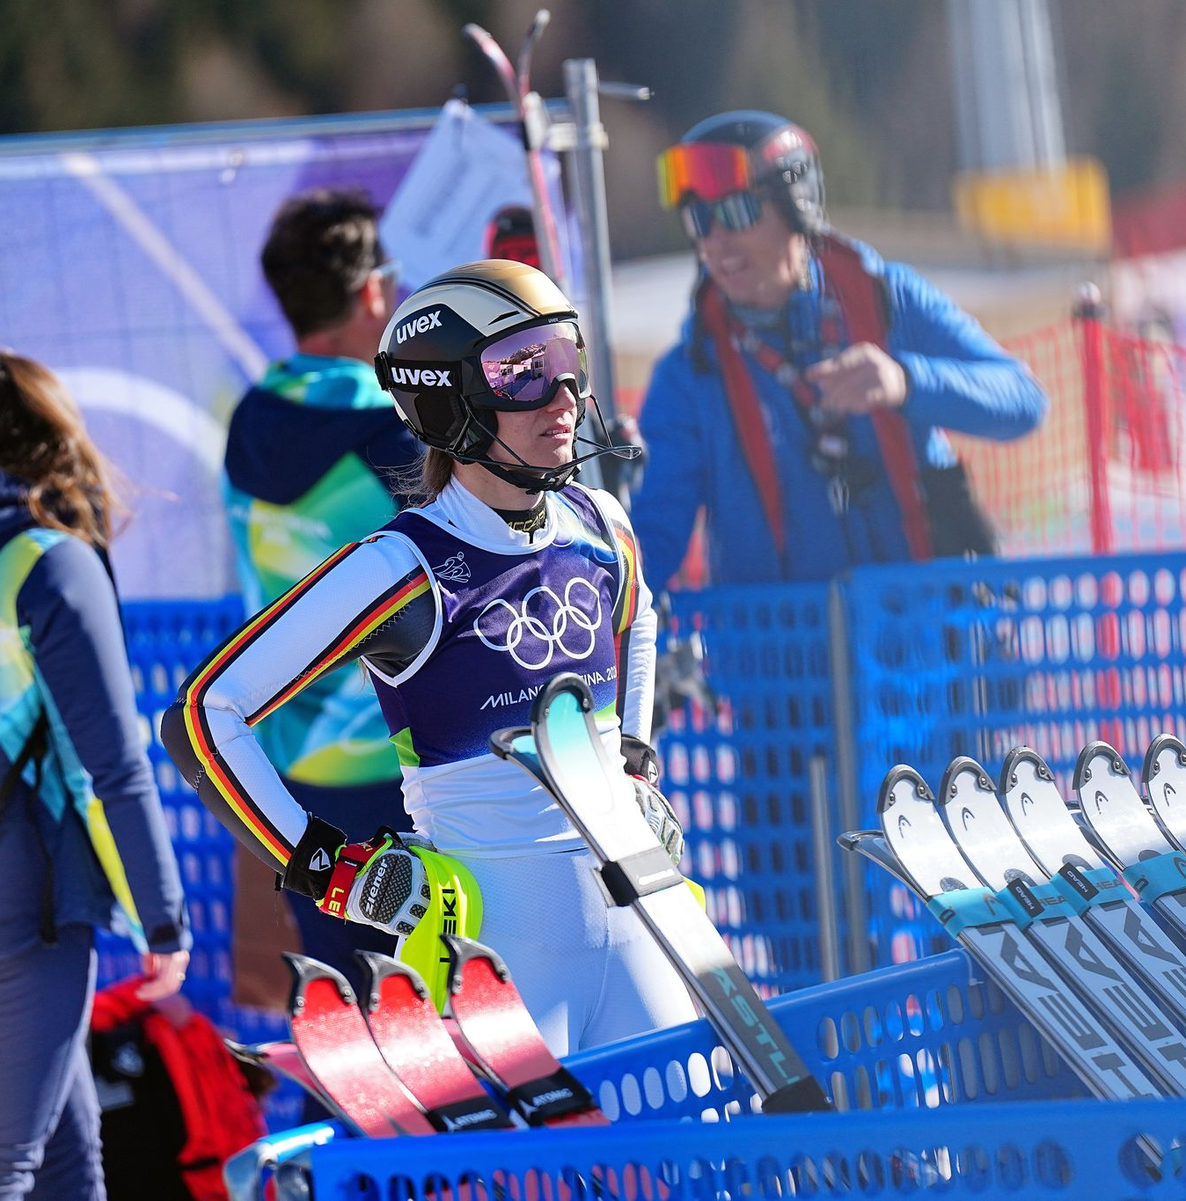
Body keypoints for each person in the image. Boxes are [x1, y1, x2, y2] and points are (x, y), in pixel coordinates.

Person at [163, 260, 695, 1055]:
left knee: (701, 1137)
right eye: (523, 370)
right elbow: (204, 715)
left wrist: (636, 762)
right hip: (502, 953)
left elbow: (639, 617)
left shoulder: (600, 522)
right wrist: (331, 870)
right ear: (451, 401)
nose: (562, 396)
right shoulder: (400, 567)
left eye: (568, 359)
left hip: (638, 919)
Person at [634, 111, 1050, 595]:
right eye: (699, 220)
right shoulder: (690, 374)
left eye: (736, 211)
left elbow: (1024, 402)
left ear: (796, 206)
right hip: (777, 639)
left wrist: (906, 382)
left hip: (926, 628)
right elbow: (653, 539)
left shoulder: (889, 300)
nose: (715, 241)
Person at [0, 352, 191, 1199]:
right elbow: (111, 769)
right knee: (13, 1163)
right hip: (26, 906)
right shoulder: (46, 562)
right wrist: (162, 918)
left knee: (68, 1159)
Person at [223, 187, 423, 991]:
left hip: (289, 771)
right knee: (437, 1009)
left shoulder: (248, 421)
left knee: (346, 1012)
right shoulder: (397, 435)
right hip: (402, 763)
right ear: (372, 291)